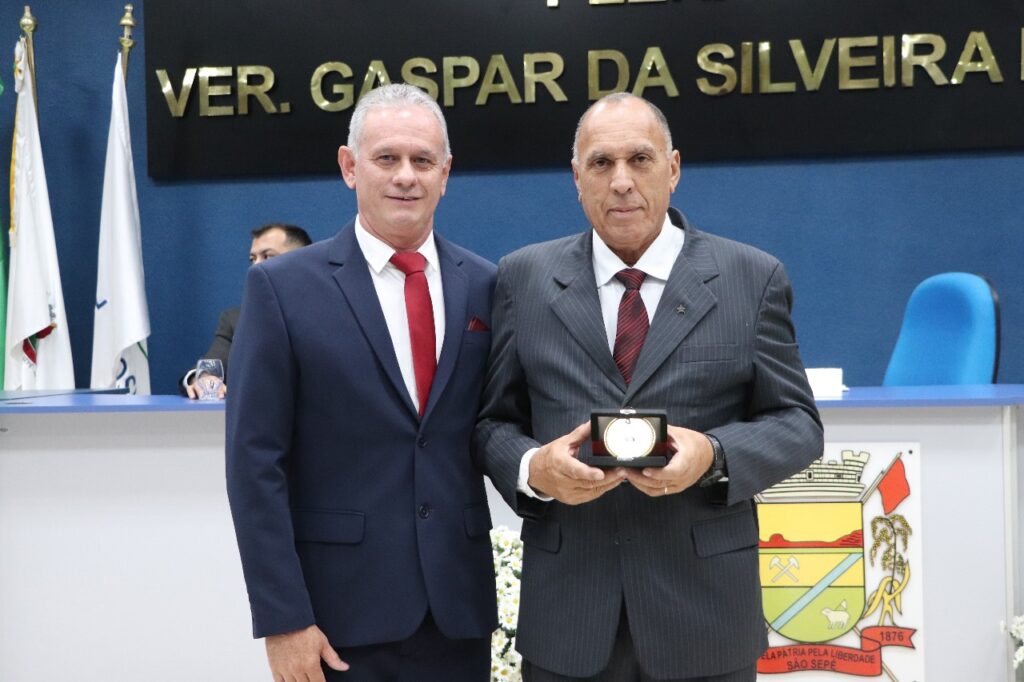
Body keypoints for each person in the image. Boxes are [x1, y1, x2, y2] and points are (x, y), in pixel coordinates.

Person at [474, 93, 824, 682]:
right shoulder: (523, 278)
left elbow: (798, 424)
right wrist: (534, 468)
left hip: (706, 619)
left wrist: (712, 454)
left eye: (640, 159)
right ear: (577, 178)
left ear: (674, 168)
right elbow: (492, 422)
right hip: (569, 620)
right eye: (601, 163)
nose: (621, 182)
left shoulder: (751, 278)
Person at [226, 84, 498, 682]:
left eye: (422, 160)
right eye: (386, 158)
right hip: (335, 623)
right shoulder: (281, 289)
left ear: (445, 173)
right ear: (350, 167)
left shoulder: (486, 284)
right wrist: (283, 618)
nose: (405, 176)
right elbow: (254, 463)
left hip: (458, 616)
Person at [179, 223, 312, 398]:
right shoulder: (236, 319)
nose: (255, 266)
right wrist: (203, 378)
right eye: (252, 259)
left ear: (301, 261)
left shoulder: (332, 313)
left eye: (267, 256)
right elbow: (211, 365)